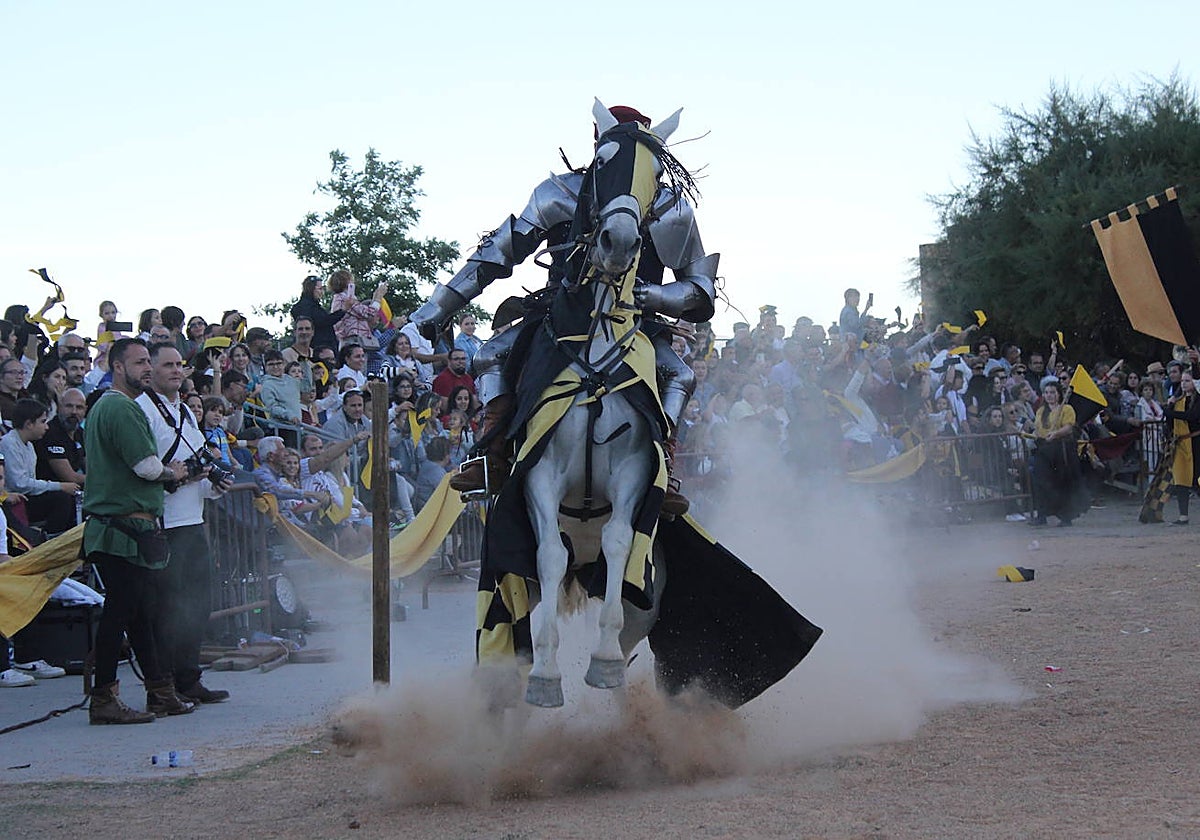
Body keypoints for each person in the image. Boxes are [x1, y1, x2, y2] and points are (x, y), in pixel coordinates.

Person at [408, 104, 718, 515]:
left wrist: (655, 296)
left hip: (634, 322)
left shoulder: (670, 208)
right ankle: (493, 456)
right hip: (558, 313)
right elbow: (499, 251)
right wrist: (437, 307)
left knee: (680, 374)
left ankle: (665, 464)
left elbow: (700, 289)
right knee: (490, 355)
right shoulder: (560, 193)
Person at [83, 338, 195, 724]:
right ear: (117, 367)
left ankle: (159, 691)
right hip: (121, 527)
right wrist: (173, 472)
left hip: (124, 527)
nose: (147, 368)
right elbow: (146, 467)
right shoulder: (121, 407)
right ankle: (104, 698)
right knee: (120, 613)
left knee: (138, 612)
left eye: (149, 361)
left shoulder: (109, 406)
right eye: (139, 362)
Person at [136, 344, 232, 704]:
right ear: (151, 370)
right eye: (168, 365)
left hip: (192, 520)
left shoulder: (186, 411)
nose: (176, 370)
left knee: (197, 604)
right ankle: (163, 685)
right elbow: (145, 469)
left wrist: (214, 485)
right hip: (163, 523)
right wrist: (183, 476)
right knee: (167, 608)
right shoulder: (142, 409)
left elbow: (198, 463)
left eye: (179, 364)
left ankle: (189, 678)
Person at [1, 399, 80, 535]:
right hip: (13, 501)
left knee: (70, 499)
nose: (47, 427)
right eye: (43, 422)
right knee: (61, 499)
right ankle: (48, 539)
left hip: (26, 498)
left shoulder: (29, 446)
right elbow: (19, 484)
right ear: (29, 424)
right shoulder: (8, 444)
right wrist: (59, 486)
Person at [1029, 381, 1084, 527]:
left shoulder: (1066, 409)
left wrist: (1056, 433)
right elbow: (1038, 428)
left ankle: (1065, 517)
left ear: (1059, 394)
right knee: (1041, 481)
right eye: (1047, 392)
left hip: (1061, 449)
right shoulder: (1041, 411)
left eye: (1052, 392)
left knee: (1061, 482)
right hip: (1044, 449)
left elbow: (1068, 427)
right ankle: (1041, 515)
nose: (1049, 395)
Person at [1162, 371, 1200, 525]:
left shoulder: (1198, 399)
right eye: (1183, 381)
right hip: (1181, 443)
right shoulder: (1178, 400)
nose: (1183, 383)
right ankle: (1183, 516)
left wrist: (1170, 412)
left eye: (1187, 381)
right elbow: (1170, 423)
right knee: (1181, 479)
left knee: (1197, 479)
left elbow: (1192, 416)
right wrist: (1170, 406)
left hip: (1196, 442)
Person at [35, 387, 87, 489]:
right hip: (52, 492)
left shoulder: (80, 433)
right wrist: (101, 479)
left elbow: (90, 467)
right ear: (59, 407)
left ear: (85, 410)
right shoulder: (50, 433)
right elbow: (70, 477)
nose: (74, 412)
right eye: (69, 406)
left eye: (79, 407)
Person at [290, 275, 344, 352]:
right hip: (319, 349)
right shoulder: (306, 307)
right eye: (320, 289)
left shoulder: (312, 307)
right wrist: (342, 311)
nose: (322, 292)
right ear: (311, 289)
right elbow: (323, 321)